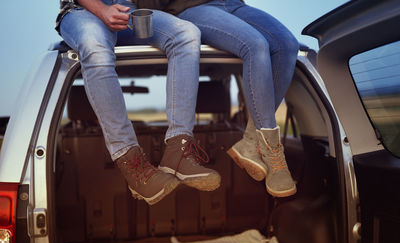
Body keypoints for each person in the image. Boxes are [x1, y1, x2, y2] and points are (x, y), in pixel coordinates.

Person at [56, 0, 221, 205]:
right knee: (94, 46)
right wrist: (103, 10)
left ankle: (178, 150)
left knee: (187, 34)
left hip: (129, 9)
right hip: (83, 11)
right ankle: (131, 161)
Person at [159, 0, 299, 197]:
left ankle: (251, 141)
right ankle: (273, 153)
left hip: (233, 3)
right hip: (190, 6)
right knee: (255, 45)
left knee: (288, 45)